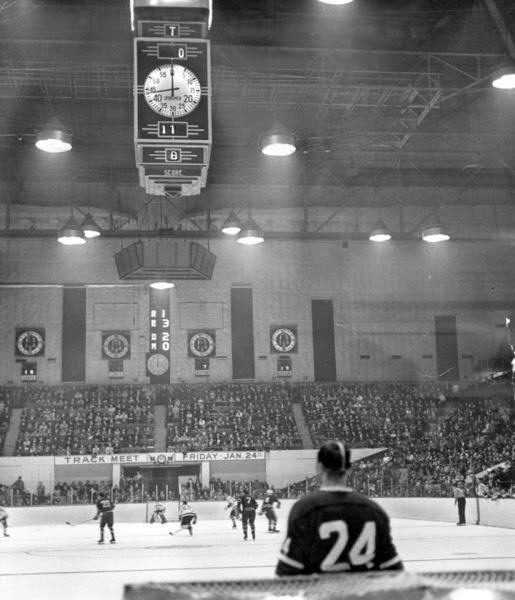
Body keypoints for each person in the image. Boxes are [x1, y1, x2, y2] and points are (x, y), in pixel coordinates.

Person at [276, 440, 403, 575]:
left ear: (319, 467)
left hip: (320, 594)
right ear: (349, 469)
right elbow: (394, 571)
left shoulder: (304, 509)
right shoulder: (373, 510)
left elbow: (286, 573)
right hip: (362, 594)